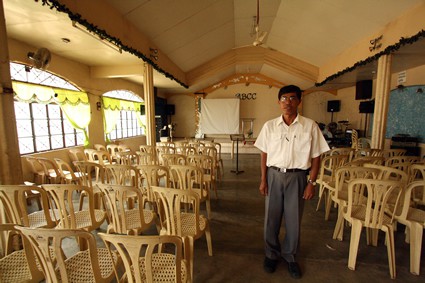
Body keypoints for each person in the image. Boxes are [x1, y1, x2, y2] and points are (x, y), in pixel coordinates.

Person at [254, 85, 330, 279]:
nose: (287, 102)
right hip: (274, 175)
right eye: (284, 98)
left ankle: (290, 256)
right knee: (271, 218)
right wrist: (263, 179)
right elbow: (265, 154)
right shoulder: (270, 126)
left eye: (292, 98)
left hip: (298, 177)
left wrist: (312, 182)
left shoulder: (310, 126)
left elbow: (316, 157)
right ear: (278, 102)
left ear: (299, 101)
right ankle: (271, 254)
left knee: (293, 219)